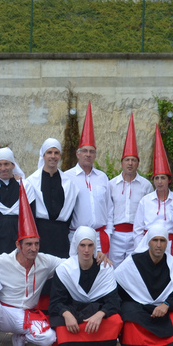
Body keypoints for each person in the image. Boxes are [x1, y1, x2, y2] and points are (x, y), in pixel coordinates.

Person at [0, 184, 61, 346]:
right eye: (28, 244)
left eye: (36, 244)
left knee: (49, 338)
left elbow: (70, 264)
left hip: (27, 315)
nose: (33, 249)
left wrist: (97, 255)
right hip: (4, 314)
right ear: (18, 245)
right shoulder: (1, 261)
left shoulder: (46, 261)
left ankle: (20, 336)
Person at [115, 221, 173, 346]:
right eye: (155, 240)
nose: (158, 245)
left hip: (164, 309)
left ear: (167, 243)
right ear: (148, 242)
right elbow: (119, 290)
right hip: (138, 309)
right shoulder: (132, 263)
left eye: (162, 241)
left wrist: (167, 305)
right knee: (129, 314)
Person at [44, 226, 122, 346]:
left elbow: (114, 301)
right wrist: (67, 315)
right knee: (61, 321)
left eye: (90, 245)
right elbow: (55, 302)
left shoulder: (105, 269)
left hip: (96, 309)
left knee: (115, 319)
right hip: (73, 309)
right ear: (76, 246)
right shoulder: (65, 269)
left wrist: (101, 314)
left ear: (95, 247)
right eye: (82, 245)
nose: (86, 250)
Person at [65, 105, 114, 254]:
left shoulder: (102, 177)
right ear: (78, 154)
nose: (88, 154)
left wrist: (108, 232)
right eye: (85, 151)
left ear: (95, 155)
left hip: (100, 237)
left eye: (92, 151)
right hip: (77, 237)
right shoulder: (67, 177)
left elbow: (109, 208)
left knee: (101, 267)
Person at [107, 115, 152, 265]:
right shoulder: (111, 184)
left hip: (136, 235)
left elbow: (149, 211)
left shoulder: (146, 185)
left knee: (134, 268)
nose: (130, 163)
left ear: (138, 163)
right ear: (121, 163)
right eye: (127, 160)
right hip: (116, 236)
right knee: (114, 268)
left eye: (134, 160)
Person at [133, 125, 173, 260]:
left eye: (163, 178)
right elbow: (138, 229)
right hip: (149, 247)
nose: (160, 182)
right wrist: (141, 251)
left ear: (169, 180)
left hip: (171, 246)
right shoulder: (145, 201)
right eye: (156, 178)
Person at [26, 138, 77, 259]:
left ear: (60, 156)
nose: (53, 156)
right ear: (43, 155)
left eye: (56, 153)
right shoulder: (31, 182)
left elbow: (70, 212)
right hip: (39, 235)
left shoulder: (68, 183)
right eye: (49, 152)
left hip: (61, 237)